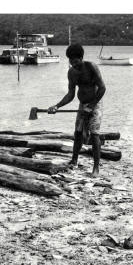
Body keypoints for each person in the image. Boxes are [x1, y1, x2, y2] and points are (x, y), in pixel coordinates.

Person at [48, 43, 106, 177]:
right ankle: (74, 160)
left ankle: (96, 167)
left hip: (95, 103)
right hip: (82, 104)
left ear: (81, 58)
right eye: (71, 61)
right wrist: (57, 106)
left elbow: (102, 88)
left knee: (94, 134)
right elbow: (70, 94)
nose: (73, 64)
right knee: (78, 133)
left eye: (76, 61)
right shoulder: (72, 72)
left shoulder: (91, 67)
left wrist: (91, 106)